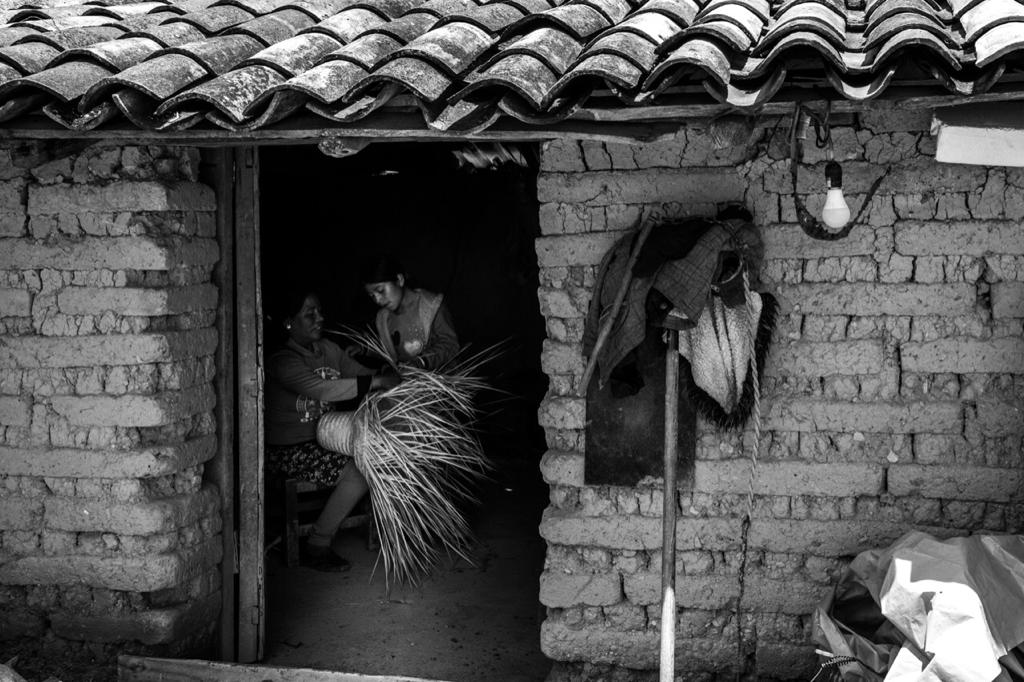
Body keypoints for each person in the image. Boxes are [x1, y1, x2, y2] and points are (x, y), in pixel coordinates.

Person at [265, 287, 399, 571]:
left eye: (319, 312)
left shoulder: (329, 350)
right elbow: (322, 388)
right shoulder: (282, 361)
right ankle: (317, 544)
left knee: (374, 455)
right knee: (361, 471)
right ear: (289, 323)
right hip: (288, 449)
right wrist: (374, 384)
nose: (319, 318)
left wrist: (388, 379)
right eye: (309, 314)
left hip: (324, 441)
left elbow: (360, 373)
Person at [361, 255, 460, 370]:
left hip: (441, 381)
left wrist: (422, 362)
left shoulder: (432, 306)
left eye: (380, 290)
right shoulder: (384, 318)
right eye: (372, 296)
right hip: (411, 382)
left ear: (399, 280)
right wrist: (366, 349)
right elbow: (388, 349)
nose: (377, 300)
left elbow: (450, 345)